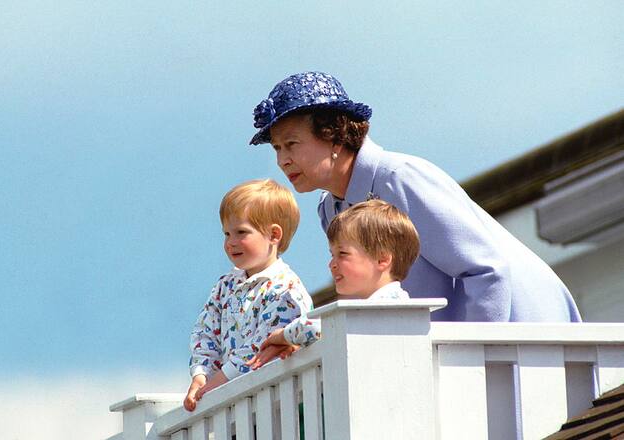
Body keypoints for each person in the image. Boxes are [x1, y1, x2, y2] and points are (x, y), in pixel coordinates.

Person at [248, 71, 581, 323]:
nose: (282, 160)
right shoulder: (331, 207)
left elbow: (486, 270)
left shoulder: (399, 178)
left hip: (526, 335)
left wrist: (470, 365)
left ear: (334, 135)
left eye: (291, 144)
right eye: (277, 148)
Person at [184, 179, 313, 411]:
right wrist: (201, 375)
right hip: (235, 405)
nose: (230, 243)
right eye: (226, 233)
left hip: (276, 403)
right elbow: (205, 330)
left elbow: (262, 344)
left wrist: (218, 382)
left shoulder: (286, 289)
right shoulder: (226, 285)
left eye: (241, 232)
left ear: (274, 235)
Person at [247, 199, 420, 369]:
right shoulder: (377, 306)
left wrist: (282, 336)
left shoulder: (387, 304)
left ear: (382, 259)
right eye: (332, 255)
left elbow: (317, 327)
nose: (332, 264)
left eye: (343, 253)